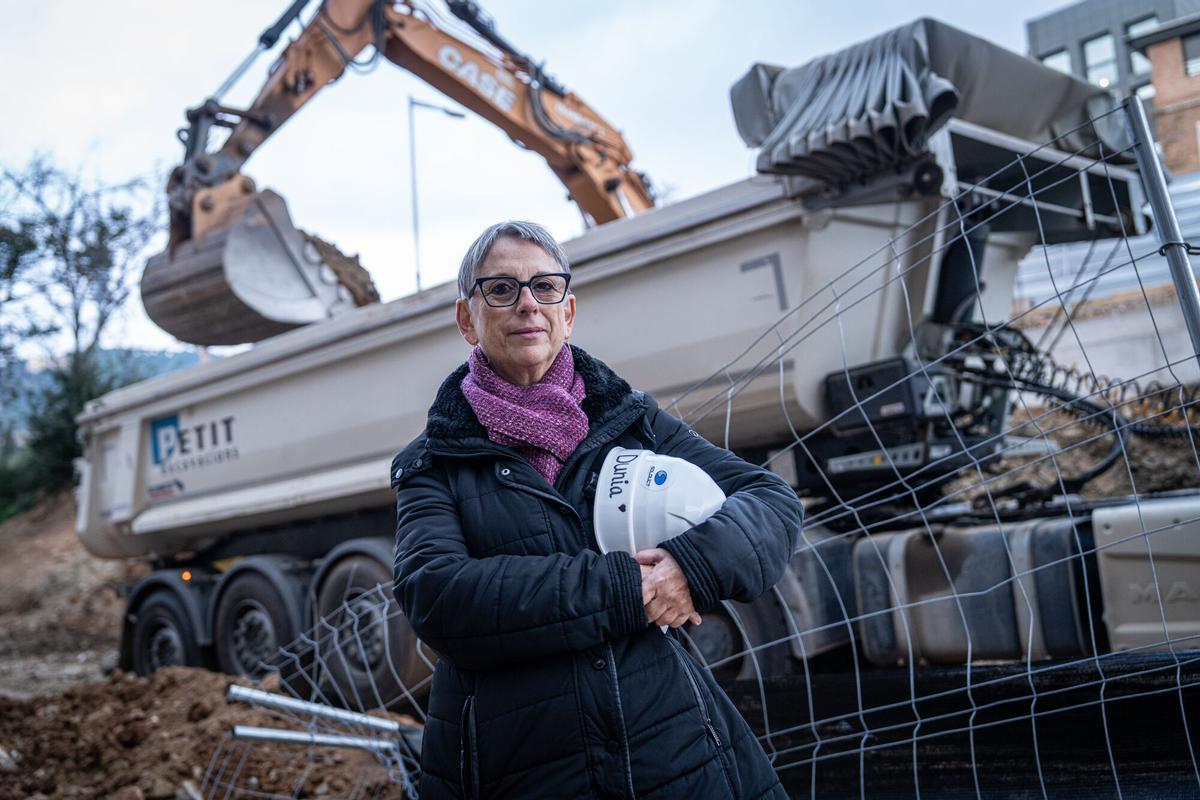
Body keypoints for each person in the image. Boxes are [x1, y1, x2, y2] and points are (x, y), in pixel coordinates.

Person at [391, 220, 801, 799]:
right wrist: (626, 590)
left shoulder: (630, 422)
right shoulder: (434, 459)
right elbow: (438, 594)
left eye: (545, 287)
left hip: (670, 748)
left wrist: (691, 567)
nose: (528, 304)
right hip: (520, 765)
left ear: (569, 311)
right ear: (468, 320)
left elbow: (770, 500)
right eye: (502, 289)